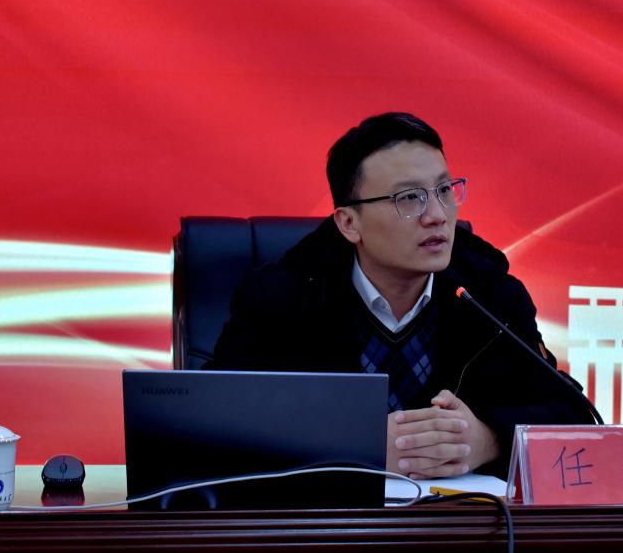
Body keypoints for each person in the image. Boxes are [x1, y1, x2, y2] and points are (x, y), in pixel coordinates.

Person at [208, 112, 594, 479]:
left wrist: (488, 439)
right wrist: (355, 445)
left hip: (462, 521)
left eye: (444, 190)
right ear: (349, 223)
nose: (437, 215)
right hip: (326, 520)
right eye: (409, 198)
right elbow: (215, 422)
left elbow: (573, 413)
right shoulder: (281, 298)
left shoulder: (491, 296)